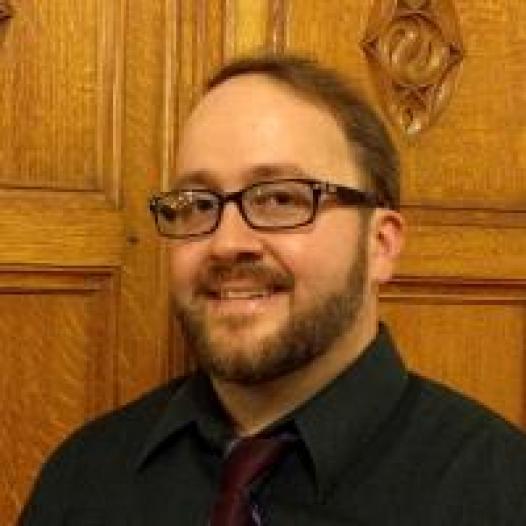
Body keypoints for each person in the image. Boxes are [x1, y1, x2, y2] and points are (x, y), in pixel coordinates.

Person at [19, 54, 526, 525]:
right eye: (198, 204)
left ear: (380, 245)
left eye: (281, 199)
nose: (227, 244)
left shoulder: (501, 492)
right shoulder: (84, 480)